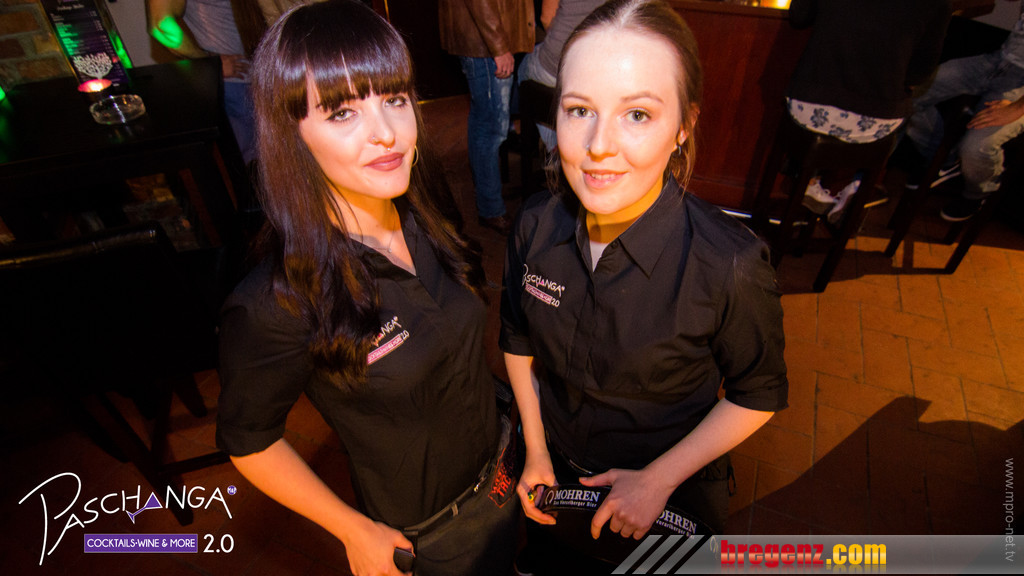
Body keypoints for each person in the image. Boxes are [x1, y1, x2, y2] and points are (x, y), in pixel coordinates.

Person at [215, 2, 519, 575]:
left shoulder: (423, 210)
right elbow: (248, 438)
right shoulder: (276, 303)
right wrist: (353, 530)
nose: (387, 134)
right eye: (342, 113)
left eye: (395, 100)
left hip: (505, 471)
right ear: (292, 135)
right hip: (432, 536)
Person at [500, 0, 788, 572]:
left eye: (637, 114)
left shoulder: (728, 264)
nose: (598, 145)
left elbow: (757, 393)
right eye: (579, 110)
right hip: (555, 465)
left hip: (664, 487)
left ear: (683, 127)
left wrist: (657, 480)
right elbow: (517, 339)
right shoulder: (534, 224)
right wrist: (535, 450)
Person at [785, 0, 951, 222]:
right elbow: (920, 72)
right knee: (902, 111)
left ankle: (804, 178)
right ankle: (858, 184)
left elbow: (798, 16)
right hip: (875, 120)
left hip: (809, 106)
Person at [905, 0, 1024, 222]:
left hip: (1020, 89)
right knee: (907, 95)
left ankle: (978, 193)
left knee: (977, 145)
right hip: (998, 60)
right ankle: (944, 162)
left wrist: (1017, 108)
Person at [438, 0, 535, 235]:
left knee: (485, 122)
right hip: (486, 45)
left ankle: (489, 202)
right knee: (489, 130)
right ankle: (491, 209)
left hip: (489, 42)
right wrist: (498, 47)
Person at [147, 0, 265, 166]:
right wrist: (211, 63)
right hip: (236, 85)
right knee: (257, 166)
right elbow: (161, 26)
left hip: (266, 76)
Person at [518, 0, 606, 151]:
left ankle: (555, 147)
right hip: (599, 67)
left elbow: (546, 18)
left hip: (560, 64)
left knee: (523, 69)